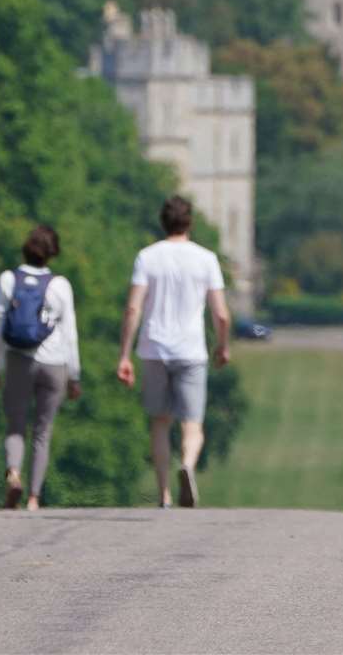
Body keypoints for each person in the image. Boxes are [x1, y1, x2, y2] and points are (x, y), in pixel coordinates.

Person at [116, 196, 232, 508]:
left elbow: (133, 308)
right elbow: (221, 314)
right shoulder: (206, 259)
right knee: (192, 423)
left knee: (160, 422)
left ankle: (165, 494)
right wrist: (222, 346)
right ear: (189, 222)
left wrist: (124, 354)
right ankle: (189, 465)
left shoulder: (147, 257)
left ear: (163, 222)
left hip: (154, 347)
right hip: (191, 348)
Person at [0, 224, 81, 511]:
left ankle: (14, 473)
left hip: (19, 360)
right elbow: (70, 333)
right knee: (43, 430)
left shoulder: (8, 279)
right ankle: (33, 498)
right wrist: (74, 376)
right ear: (52, 254)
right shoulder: (60, 286)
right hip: (54, 365)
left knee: (15, 425)